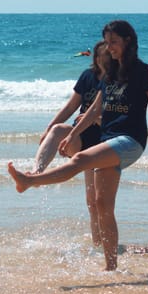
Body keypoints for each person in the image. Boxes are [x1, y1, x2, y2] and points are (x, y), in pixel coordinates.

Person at [7, 20, 148, 271]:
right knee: (102, 205)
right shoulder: (110, 73)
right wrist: (72, 134)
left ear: (128, 41)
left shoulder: (143, 72)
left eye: (114, 42)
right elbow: (93, 110)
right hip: (107, 140)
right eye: (108, 42)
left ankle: (30, 180)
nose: (109, 47)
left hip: (130, 140)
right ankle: (111, 266)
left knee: (79, 161)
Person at [25, 40, 107, 246]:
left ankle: (100, 244)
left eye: (107, 55)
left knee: (94, 201)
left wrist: (94, 119)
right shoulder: (88, 77)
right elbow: (71, 106)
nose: (103, 59)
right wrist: (48, 127)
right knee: (57, 130)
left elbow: (119, 119)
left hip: (102, 144)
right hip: (78, 138)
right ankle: (37, 172)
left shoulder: (116, 82)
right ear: (95, 58)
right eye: (100, 56)